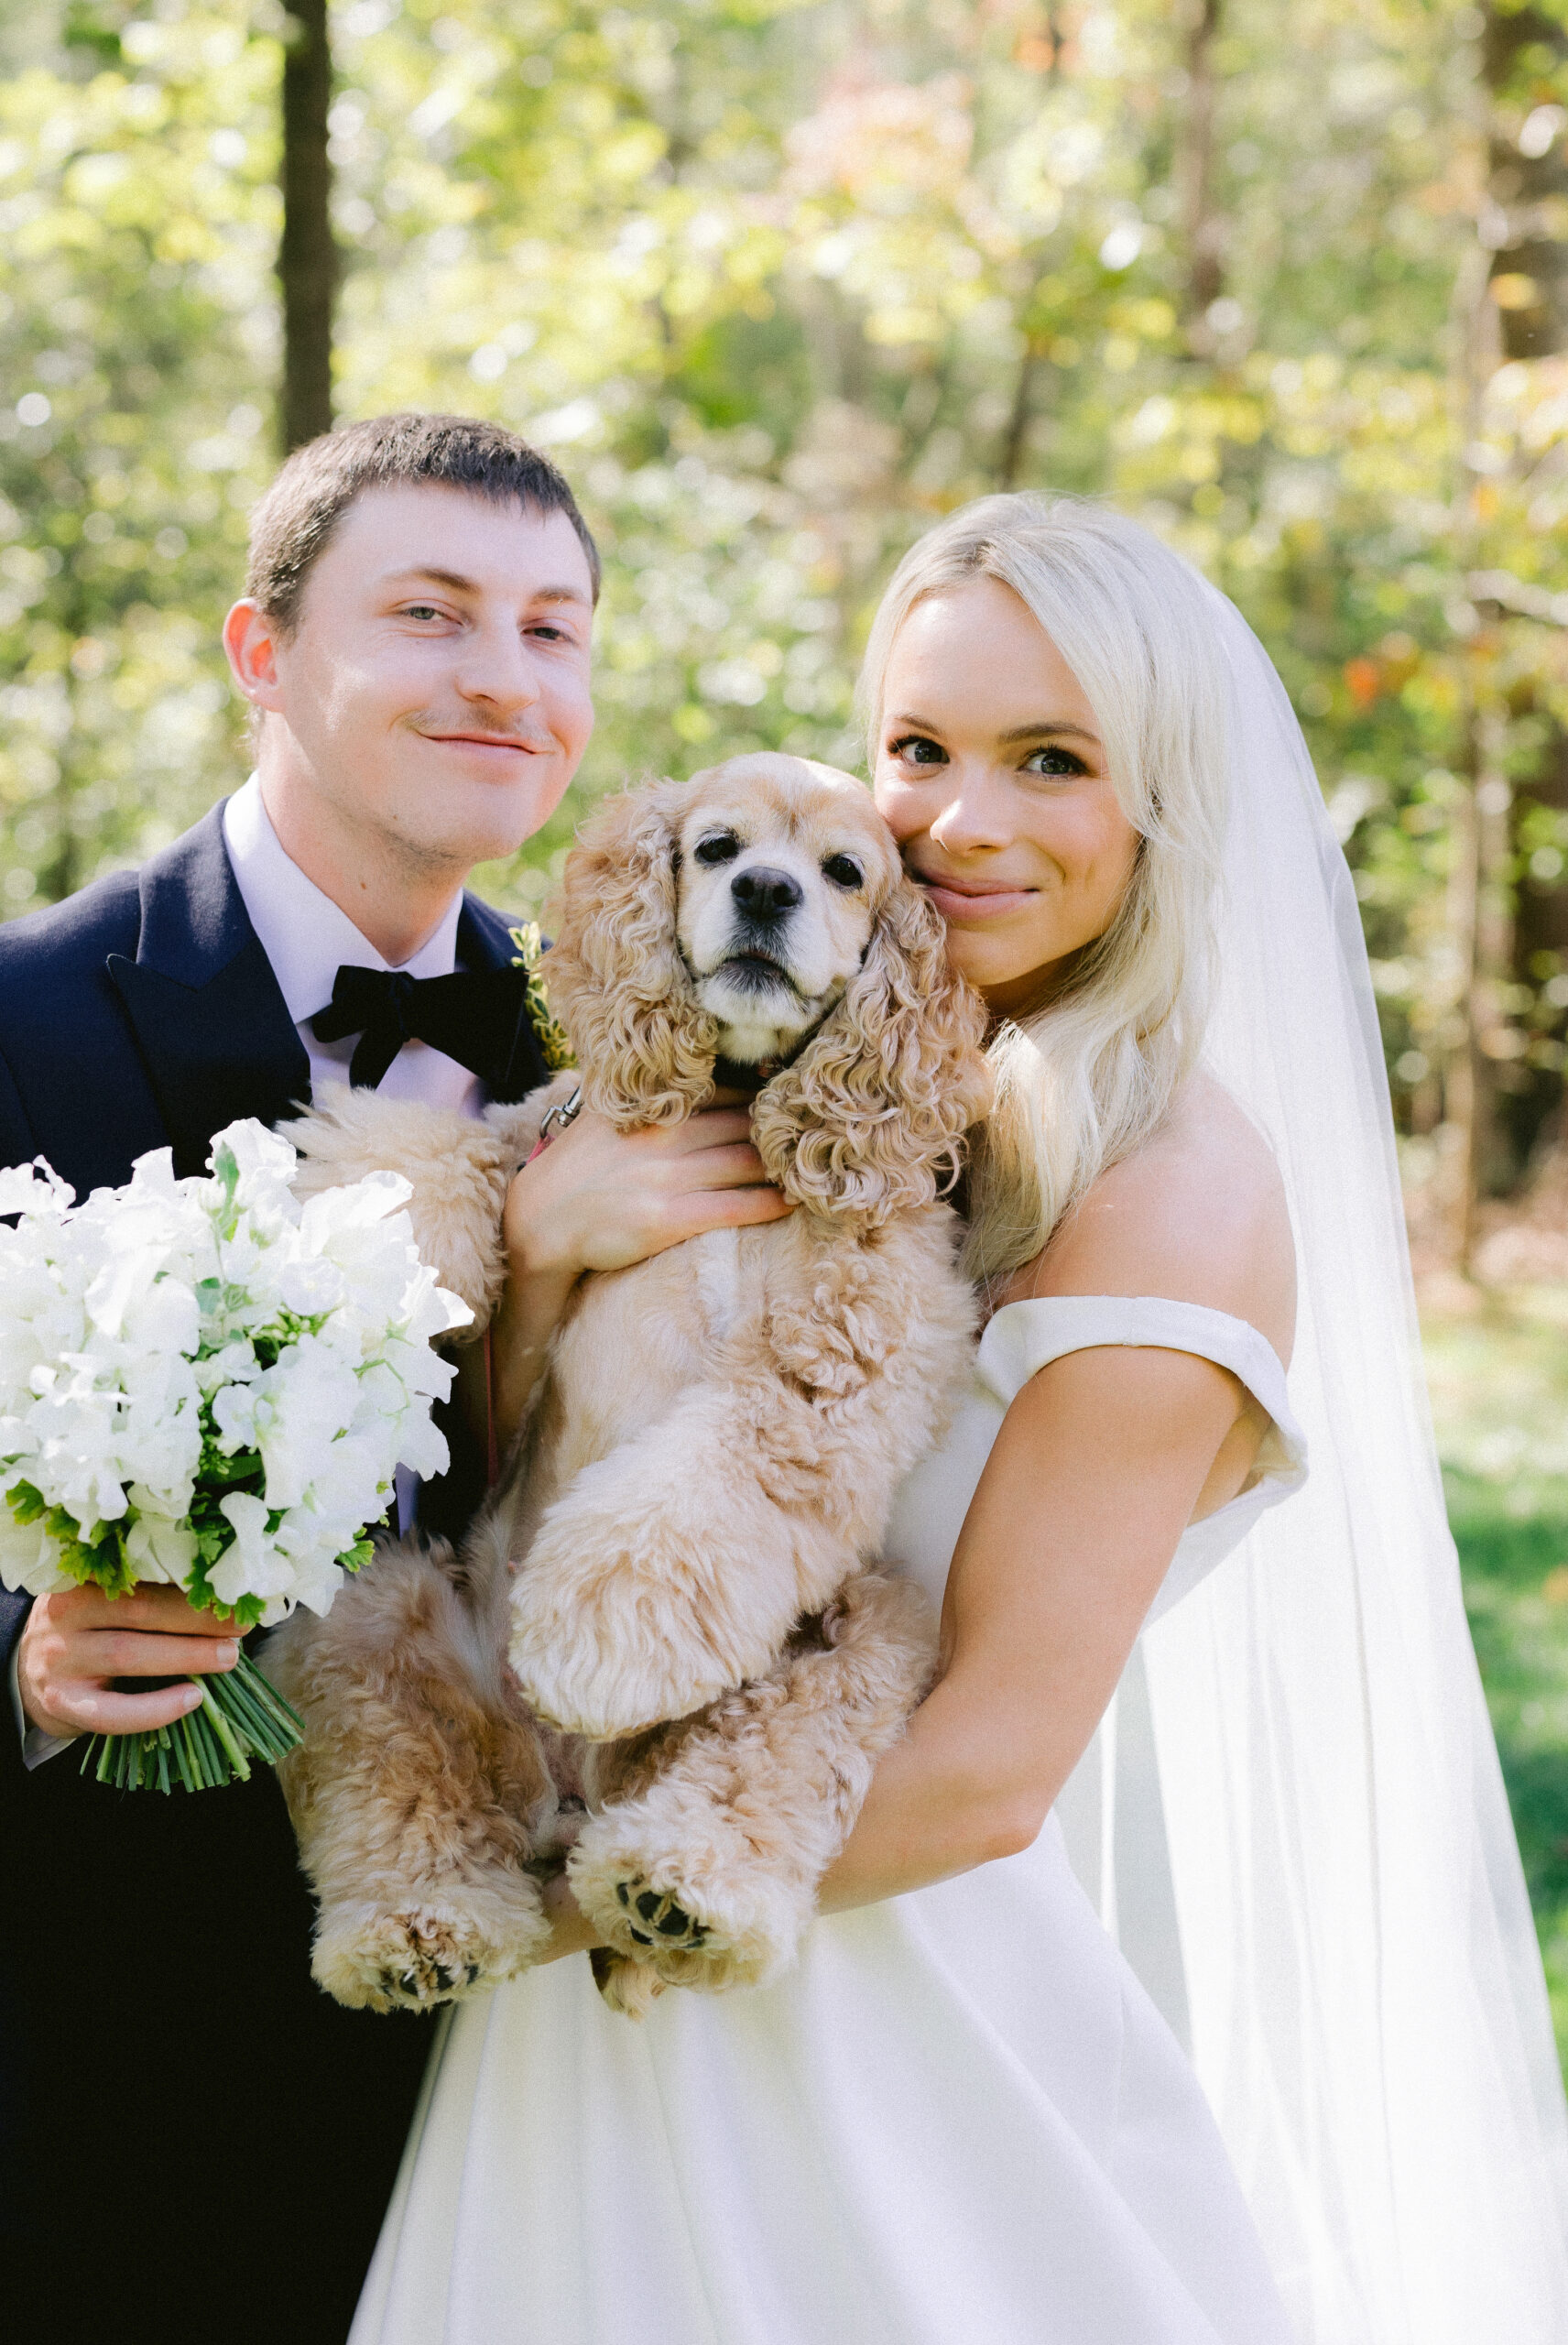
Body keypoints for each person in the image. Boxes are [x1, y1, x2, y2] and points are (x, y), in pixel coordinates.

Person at [350, 496, 1568, 2345]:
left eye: (1051, 760)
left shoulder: (1169, 1192)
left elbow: (993, 1765)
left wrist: (523, 1904)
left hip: (856, 2021)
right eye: (919, 748)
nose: (957, 819)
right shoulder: (871, 1109)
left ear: (1162, 803)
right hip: (603, 1970)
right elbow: (541, 1474)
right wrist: (533, 1257)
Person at [0, 412, 786, 2345]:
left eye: (551, 628)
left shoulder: (618, 1041)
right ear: (263, 653)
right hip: (94, 2092)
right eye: (428, 614)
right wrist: (6, 1642)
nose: (504, 676)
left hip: (501, 2067)